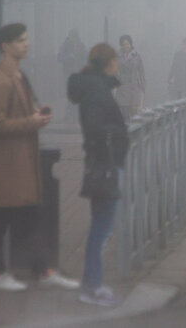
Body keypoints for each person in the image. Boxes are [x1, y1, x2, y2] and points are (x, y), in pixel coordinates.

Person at [0, 23, 79, 292]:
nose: (26, 44)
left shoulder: (18, 77)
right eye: (20, 40)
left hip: (18, 163)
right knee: (0, 218)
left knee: (27, 217)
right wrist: (31, 121)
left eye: (26, 39)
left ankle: (41, 269)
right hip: (7, 163)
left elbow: (18, 115)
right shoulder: (0, 81)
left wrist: (36, 114)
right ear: (5, 46)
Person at [67, 43, 128, 307]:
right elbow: (96, 127)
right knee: (101, 229)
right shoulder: (97, 90)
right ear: (109, 62)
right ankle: (92, 286)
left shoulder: (94, 87)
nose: (118, 64)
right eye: (115, 59)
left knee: (100, 226)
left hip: (103, 161)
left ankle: (93, 284)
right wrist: (117, 136)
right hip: (105, 164)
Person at [57, 29, 86, 122]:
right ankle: (70, 114)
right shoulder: (64, 46)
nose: (72, 39)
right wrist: (67, 58)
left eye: (74, 36)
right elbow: (59, 58)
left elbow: (85, 59)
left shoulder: (82, 46)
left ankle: (75, 113)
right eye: (71, 36)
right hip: (68, 73)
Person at [114, 35, 145, 119]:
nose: (126, 46)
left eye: (127, 44)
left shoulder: (137, 56)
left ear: (131, 44)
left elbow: (141, 73)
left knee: (134, 116)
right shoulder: (117, 57)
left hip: (134, 89)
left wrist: (142, 88)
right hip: (122, 89)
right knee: (123, 116)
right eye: (124, 44)